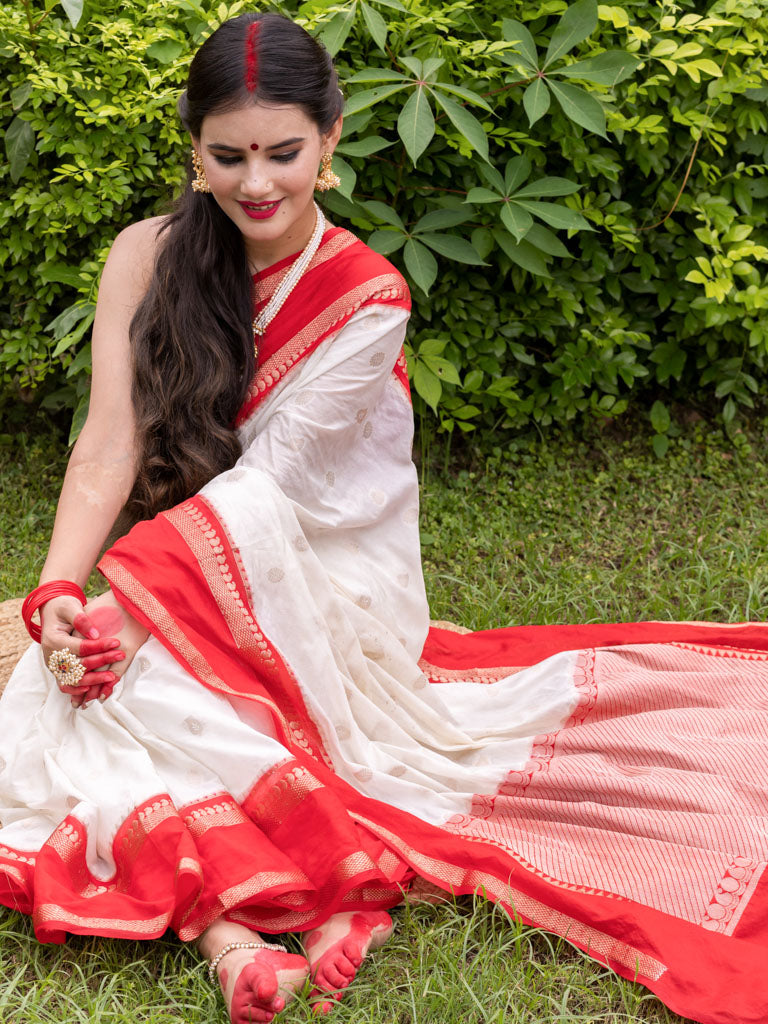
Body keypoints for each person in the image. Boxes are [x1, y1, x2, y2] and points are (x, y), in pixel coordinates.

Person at [3, 11, 768, 1024]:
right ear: (193, 154)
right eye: (228, 157)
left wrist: (133, 613)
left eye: (283, 153)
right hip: (190, 572)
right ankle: (241, 944)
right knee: (72, 678)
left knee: (99, 699)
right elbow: (109, 441)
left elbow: (269, 490)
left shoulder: (366, 297)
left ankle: (251, 914)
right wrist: (61, 588)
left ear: (332, 136)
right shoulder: (144, 256)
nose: (257, 184)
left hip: (314, 587)